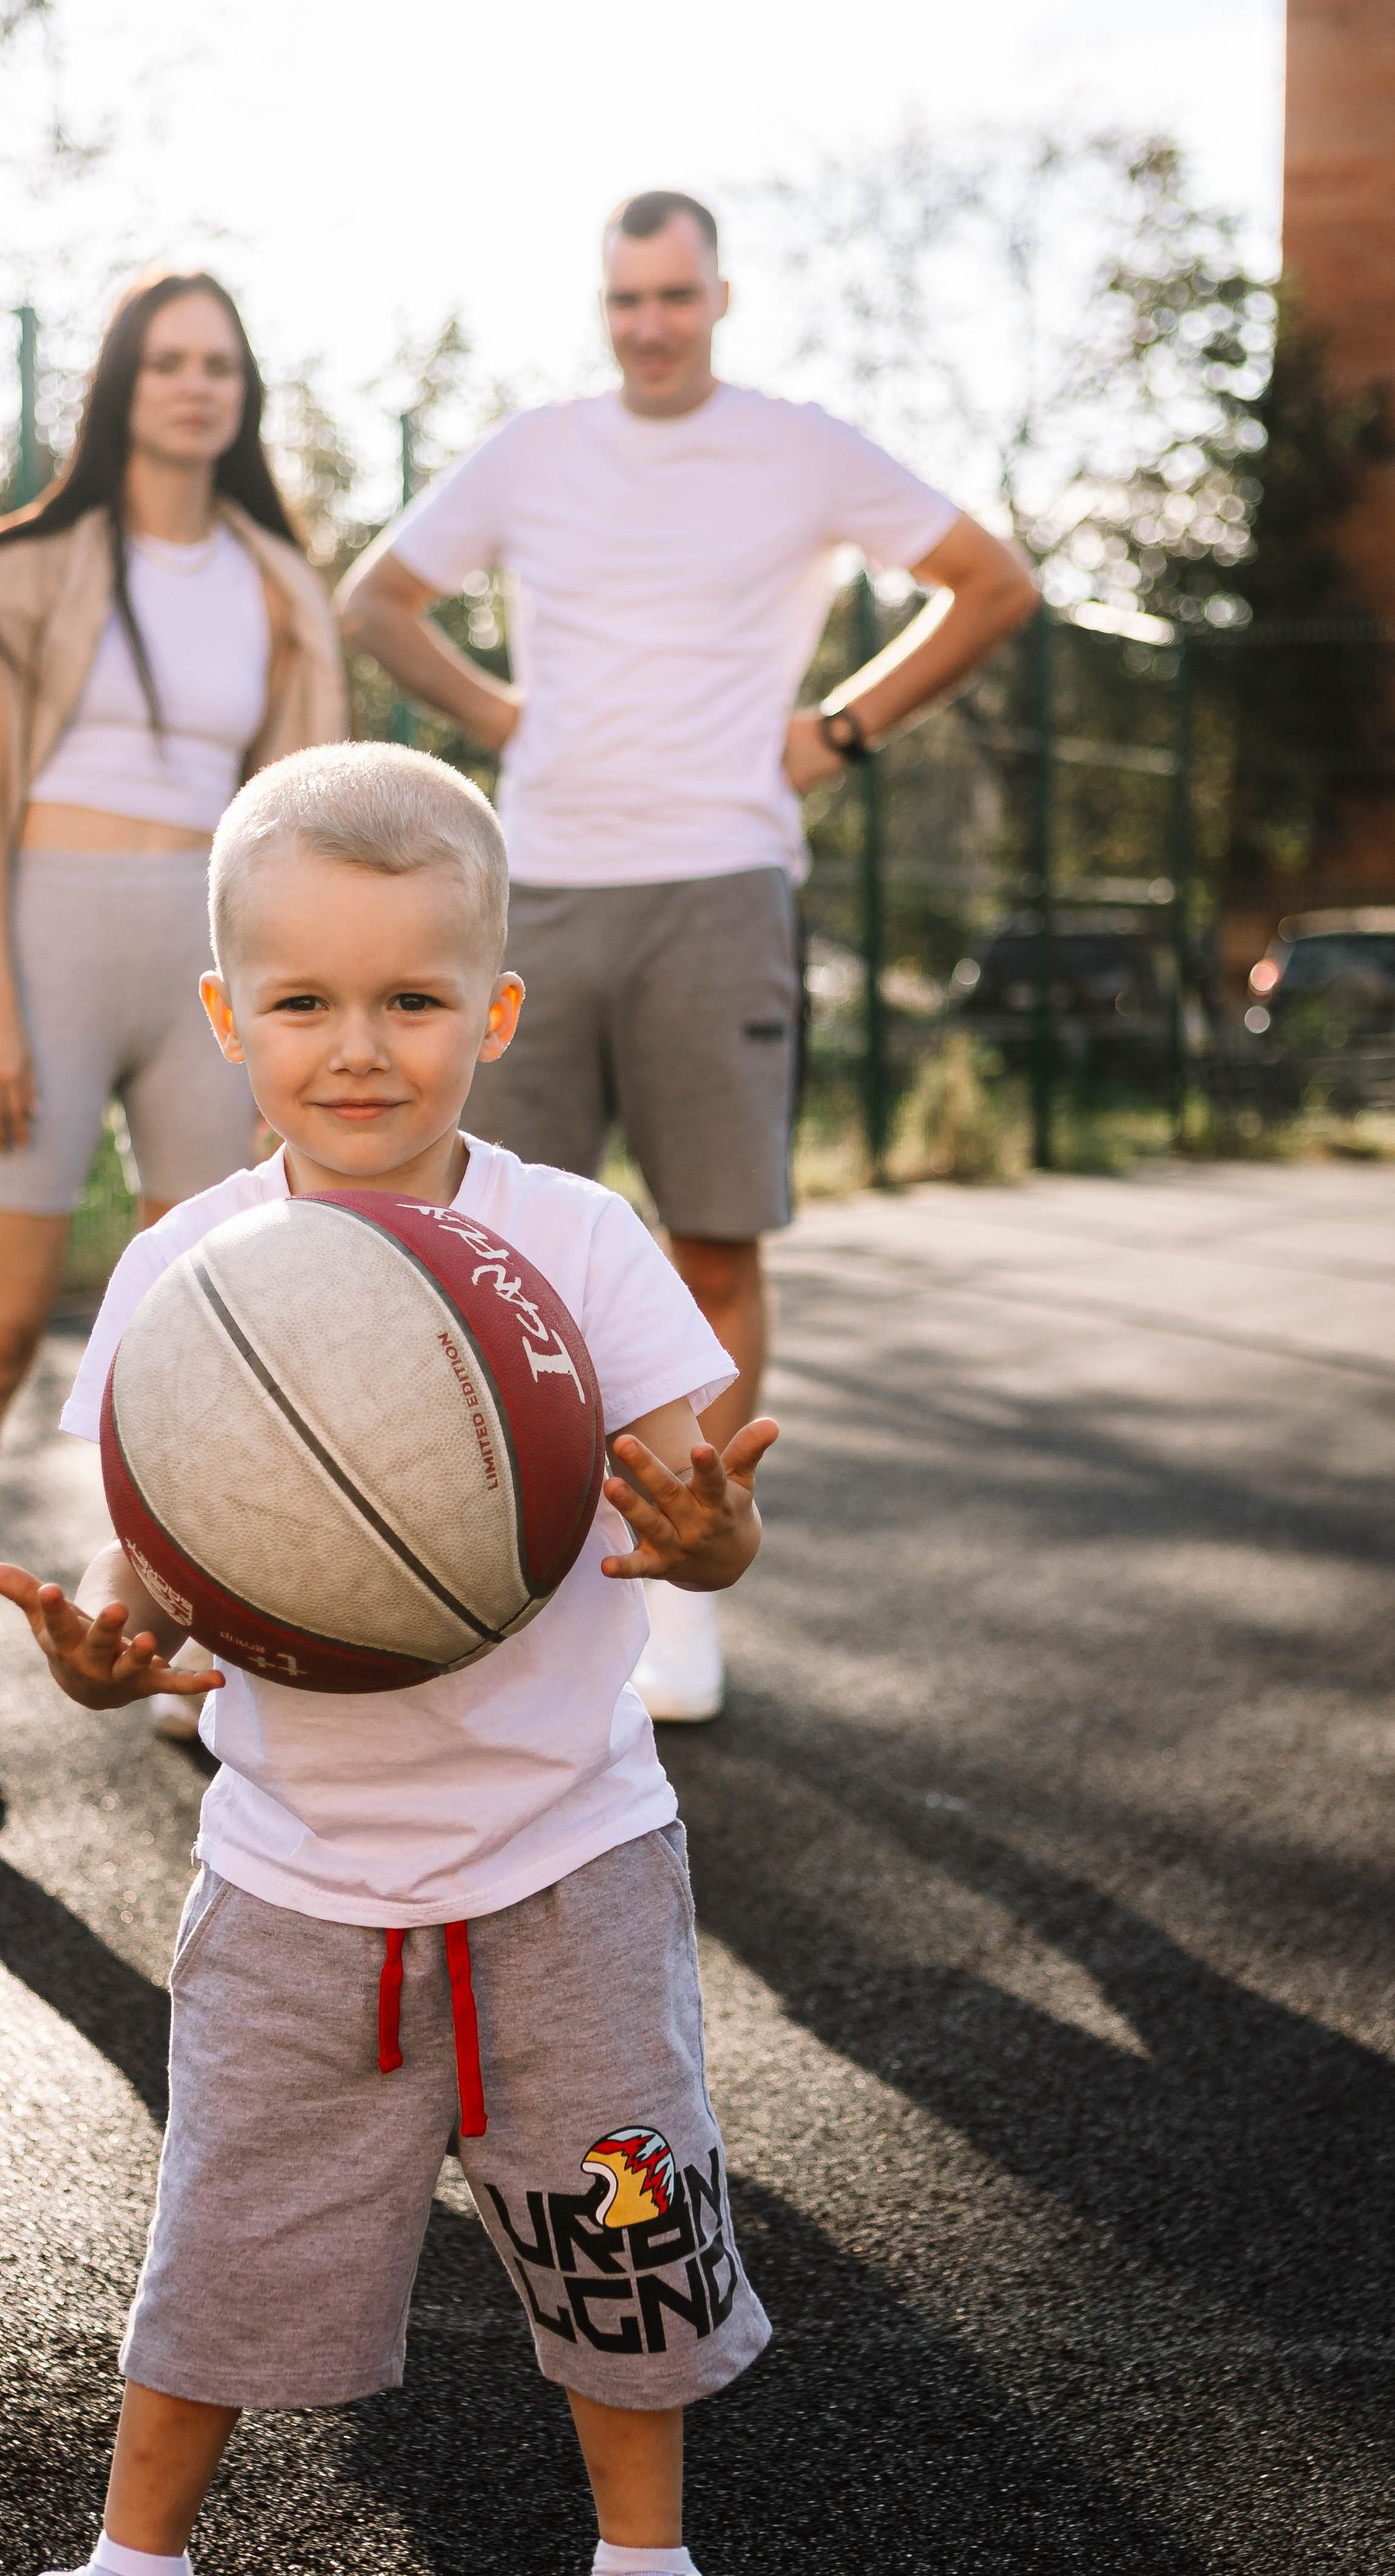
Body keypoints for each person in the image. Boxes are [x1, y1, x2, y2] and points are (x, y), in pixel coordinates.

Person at [0, 743, 778, 2576]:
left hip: (565, 1857)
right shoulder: (185, 1277)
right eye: (302, 1001)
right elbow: (157, 1586)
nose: (360, 1046)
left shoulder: (576, 1245)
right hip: (300, 1874)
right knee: (221, 2246)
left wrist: (712, 1545)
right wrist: (115, 1665)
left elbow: (703, 1502)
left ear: (496, 1015)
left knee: (619, 2239)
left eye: (413, 1000)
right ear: (229, 1025)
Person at [338, 189, 1037, 1720]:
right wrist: (506, 717)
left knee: (711, 1245)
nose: (648, 324)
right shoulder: (533, 451)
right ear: (600, 308)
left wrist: (839, 730)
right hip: (547, 890)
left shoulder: (799, 448)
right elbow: (373, 600)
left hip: (722, 879)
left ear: (720, 294)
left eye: (673, 295)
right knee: (492, 1255)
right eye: (622, 300)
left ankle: (679, 1593)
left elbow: (990, 582)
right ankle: (496, 1578)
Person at [0, 267, 346, 1802]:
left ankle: (173, 1650)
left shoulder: (281, 584)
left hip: (205, 969)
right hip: (51, 958)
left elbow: (301, 821)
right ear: (122, 387)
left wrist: (286, 1026)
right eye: (167, 363)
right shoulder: (15, 573)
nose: (195, 387)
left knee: (194, 1349)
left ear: (242, 392)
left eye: (220, 363)